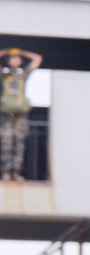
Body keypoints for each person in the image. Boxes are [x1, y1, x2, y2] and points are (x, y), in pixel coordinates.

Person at [0, 48, 42, 182]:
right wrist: (6, 52)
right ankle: (6, 171)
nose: (15, 60)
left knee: (19, 142)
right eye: (13, 58)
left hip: (20, 114)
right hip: (6, 114)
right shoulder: (4, 75)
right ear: (8, 60)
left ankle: (16, 172)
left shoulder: (23, 74)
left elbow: (37, 58)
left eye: (18, 58)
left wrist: (22, 52)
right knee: (6, 141)